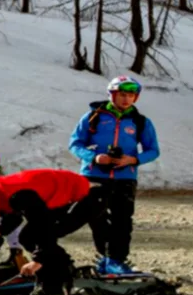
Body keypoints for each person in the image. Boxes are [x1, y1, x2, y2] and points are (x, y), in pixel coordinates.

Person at [0, 168, 107, 295]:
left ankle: (58, 281)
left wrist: (38, 260)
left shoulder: (18, 194)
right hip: (64, 198)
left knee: (42, 234)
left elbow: (43, 225)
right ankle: (63, 273)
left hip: (88, 197)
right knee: (28, 237)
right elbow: (15, 216)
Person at [68, 75, 160, 275]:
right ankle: (105, 256)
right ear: (112, 94)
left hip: (125, 177)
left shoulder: (140, 122)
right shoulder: (93, 116)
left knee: (122, 220)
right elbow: (75, 144)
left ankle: (117, 260)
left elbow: (153, 150)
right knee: (96, 218)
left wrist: (133, 160)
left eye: (131, 95)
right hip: (94, 176)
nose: (127, 99)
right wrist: (94, 157)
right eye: (122, 95)